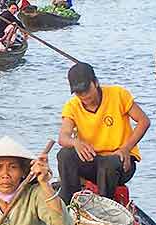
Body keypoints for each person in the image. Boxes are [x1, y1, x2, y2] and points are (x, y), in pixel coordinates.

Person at [57, 62, 150, 204]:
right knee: (64, 154)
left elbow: (144, 121)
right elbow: (63, 137)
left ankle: (104, 206)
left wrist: (126, 148)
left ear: (96, 83)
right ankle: (70, 202)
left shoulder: (118, 95)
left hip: (120, 162)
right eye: (78, 92)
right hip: (92, 161)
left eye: (86, 90)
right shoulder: (72, 106)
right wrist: (76, 142)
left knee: (108, 164)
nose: (84, 96)